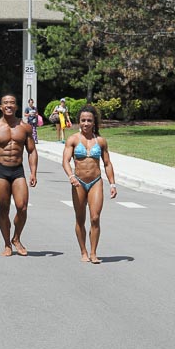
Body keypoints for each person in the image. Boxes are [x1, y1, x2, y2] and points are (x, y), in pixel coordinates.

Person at [0, 93, 38, 256]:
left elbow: (32, 151)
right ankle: (7, 244)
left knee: (22, 207)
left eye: (12, 102)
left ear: (16, 106)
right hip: (1, 171)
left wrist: (33, 172)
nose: (9, 105)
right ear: (1, 107)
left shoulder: (24, 127)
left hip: (18, 170)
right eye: (5, 102)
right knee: (4, 208)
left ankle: (16, 238)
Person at [62, 105, 117, 264]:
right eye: (83, 120)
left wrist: (112, 184)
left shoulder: (100, 141)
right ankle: (83, 251)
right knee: (80, 219)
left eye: (89, 120)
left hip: (95, 182)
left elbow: (107, 163)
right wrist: (71, 176)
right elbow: (65, 161)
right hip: (78, 182)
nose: (86, 123)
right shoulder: (73, 139)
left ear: (94, 122)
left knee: (95, 218)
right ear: (79, 121)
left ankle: (93, 252)